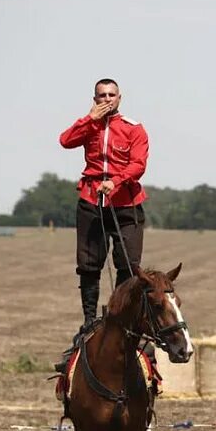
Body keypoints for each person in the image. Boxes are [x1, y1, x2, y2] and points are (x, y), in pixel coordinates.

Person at [54, 78, 150, 373]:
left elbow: (139, 164)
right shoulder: (89, 125)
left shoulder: (134, 128)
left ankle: (121, 317)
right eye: (101, 96)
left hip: (125, 203)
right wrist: (88, 120)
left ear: (120, 98)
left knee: (129, 264)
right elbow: (65, 141)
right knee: (89, 263)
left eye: (111, 95)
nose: (106, 99)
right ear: (94, 99)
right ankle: (88, 321)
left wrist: (116, 181)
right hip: (91, 200)